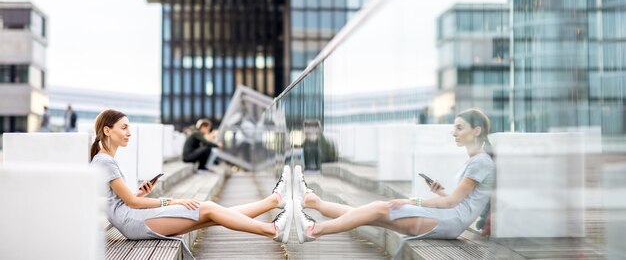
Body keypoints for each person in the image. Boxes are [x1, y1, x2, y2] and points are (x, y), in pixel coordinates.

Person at [89, 109, 295, 257]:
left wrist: (141, 193)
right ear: (107, 131)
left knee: (214, 215)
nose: (129, 133)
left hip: (132, 219)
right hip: (134, 222)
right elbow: (131, 205)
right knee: (209, 209)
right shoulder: (105, 161)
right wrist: (170, 201)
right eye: (124, 128)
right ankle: (272, 229)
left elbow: (125, 201)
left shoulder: (105, 160)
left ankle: (272, 202)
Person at [290, 108, 495, 245]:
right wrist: (440, 192)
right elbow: (457, 200)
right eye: (454, 127)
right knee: (367, 213)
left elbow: (453, 203)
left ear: (476, 131)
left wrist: (410, 200)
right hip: (449, 219)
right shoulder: (476, 161)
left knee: (379, 208)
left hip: (449, 221)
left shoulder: (481, 162)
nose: (454, 132)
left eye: (460, 128)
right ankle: (315, 203)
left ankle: (314, 229)